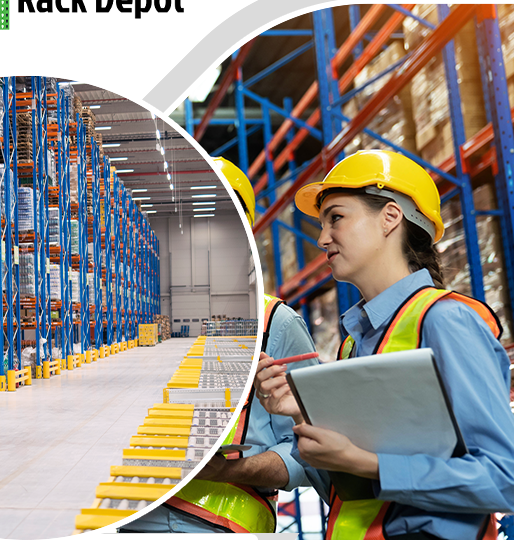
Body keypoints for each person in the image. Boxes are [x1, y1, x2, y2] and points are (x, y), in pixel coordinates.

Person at [254, 149, 514, 539]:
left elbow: (503, 478)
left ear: (390, 217)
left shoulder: (445, 320)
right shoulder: (352, 345)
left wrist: (370, 462)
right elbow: (350, 496)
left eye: (336, 218)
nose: (323, 238)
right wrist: (301, 417)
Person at [121, 157, 318, 533]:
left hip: (223, 523)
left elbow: (312, 455)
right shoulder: (146, 319)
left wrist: (231, 469)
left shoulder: (275, 323)